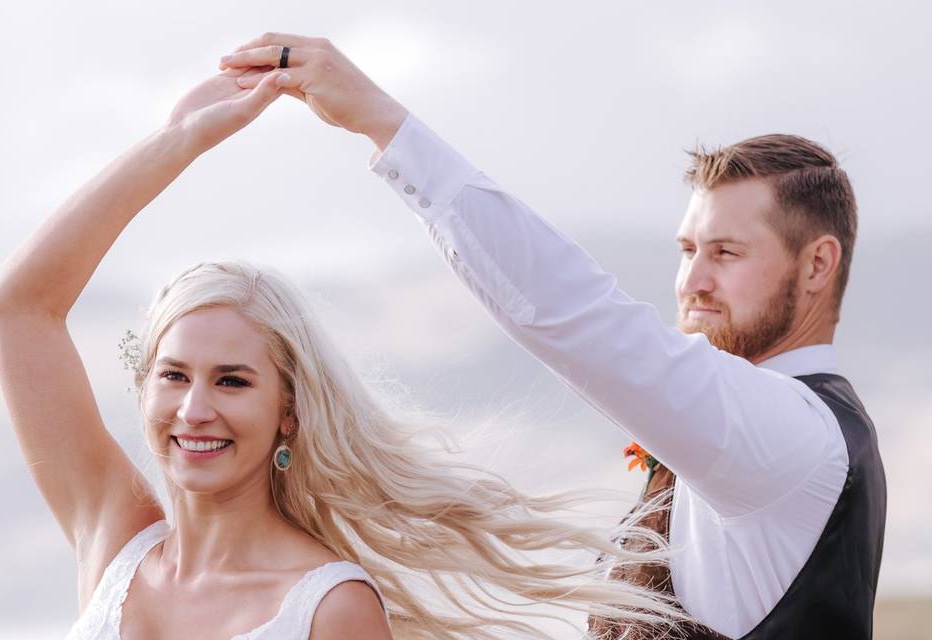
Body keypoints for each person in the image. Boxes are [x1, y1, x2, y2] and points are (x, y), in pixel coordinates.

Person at [217, 33, 888, 639]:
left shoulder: (794, 436)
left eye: (727, 254)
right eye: (688, 250)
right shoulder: (768, 431)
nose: (692, 282)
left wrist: (384, 126)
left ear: (818, 265)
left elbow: (581, 316)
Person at [0, 61, 681, 640]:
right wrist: (181, 139)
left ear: (289, 412)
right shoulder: (114, 539)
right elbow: (18, 306)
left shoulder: (329, 608)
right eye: (174, 375)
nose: (195, 408)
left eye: (232, 382)